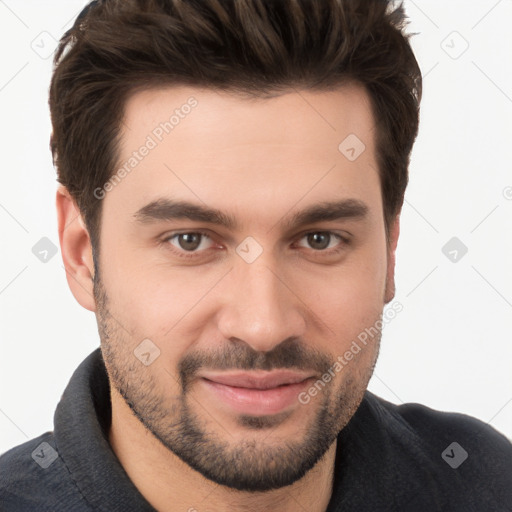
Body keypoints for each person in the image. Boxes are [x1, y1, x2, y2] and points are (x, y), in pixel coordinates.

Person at [1, 0, 511, 510]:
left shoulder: (486, 484)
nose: (263, 325)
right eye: (191, 241)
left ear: (390, 249)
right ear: (81, 252)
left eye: (319, 239)